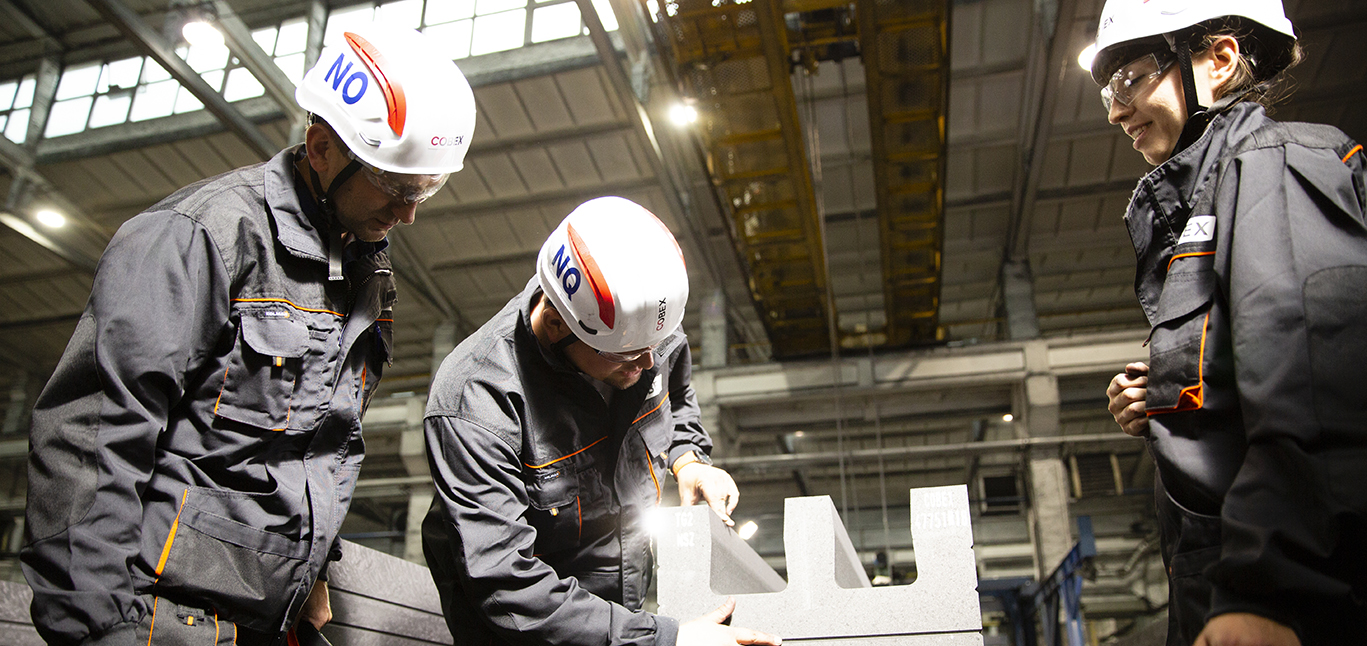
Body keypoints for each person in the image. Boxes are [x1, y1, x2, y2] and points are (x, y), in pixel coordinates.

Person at [20, 23, 476, 645]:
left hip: (267, 617)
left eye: (427, 189)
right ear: (322, 148)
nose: (410, 213)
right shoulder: (199, 237)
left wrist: (312, 573)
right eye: (396, 186)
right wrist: (99, 628)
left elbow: (318, 446)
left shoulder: (363, 269)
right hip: (163, 618)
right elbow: (90, 440)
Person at [1096, 1, 1367, 644]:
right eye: (1109, 92)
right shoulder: (1204, 209)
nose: (1114, 112)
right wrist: (1167, 396)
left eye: (1129, 79)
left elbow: (1318, 391)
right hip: (1217, 582)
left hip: (1285, 602)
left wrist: (1274, 591)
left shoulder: (1278, 163)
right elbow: (1251, 377)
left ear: (1218, 60)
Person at [421, 196, 781, 646]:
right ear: (556, 324)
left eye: (655, 346)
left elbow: (676, 393)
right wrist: (666, 641)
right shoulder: (476, 402)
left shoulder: (641, 322)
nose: (647, 363)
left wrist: (688, 459)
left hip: (623, 611)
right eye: (627, 356)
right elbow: (505, 584)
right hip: (528, 631)